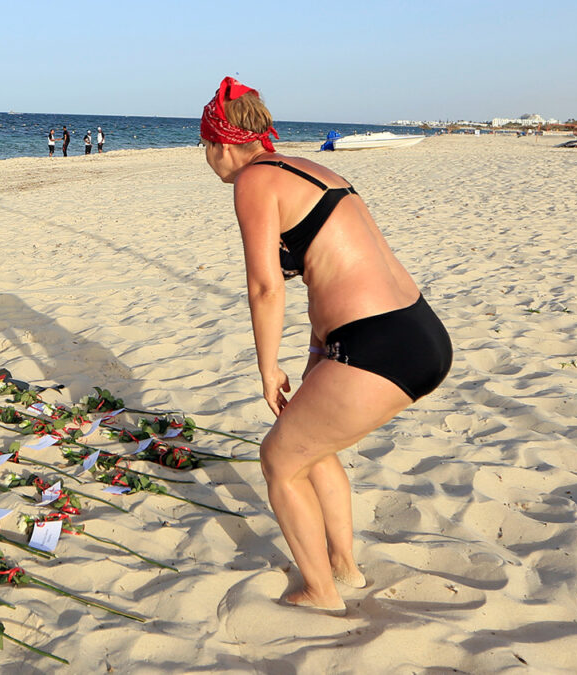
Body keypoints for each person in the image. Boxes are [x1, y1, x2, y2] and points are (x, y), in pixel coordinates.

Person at [199, 77, 451, 614]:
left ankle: (319, 591)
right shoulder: (312, 171)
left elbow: (265, 287)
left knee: (277, 460)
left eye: (205, 149)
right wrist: (314, 360)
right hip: (417, 331)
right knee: (310, 446)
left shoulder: (253, 181)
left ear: (221, 144)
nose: (208, 161)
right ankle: (345, 566)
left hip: (377, 342)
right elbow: (330, 273)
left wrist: (268, 369)